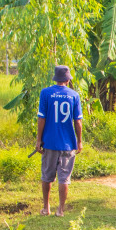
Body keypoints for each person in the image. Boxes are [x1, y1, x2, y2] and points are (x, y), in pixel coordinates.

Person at [36, 65, 83, 216]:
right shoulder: (74, 95)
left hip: (49, 142)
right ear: (68, 80)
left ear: (55, 78)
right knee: (64, 178)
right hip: (68, 144)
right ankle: (60, 210)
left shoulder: (46, 93)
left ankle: (46, 207)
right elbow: (78, 122)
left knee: (47, 176)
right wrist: (79, 141)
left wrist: (38, 140)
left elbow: (41, 118)